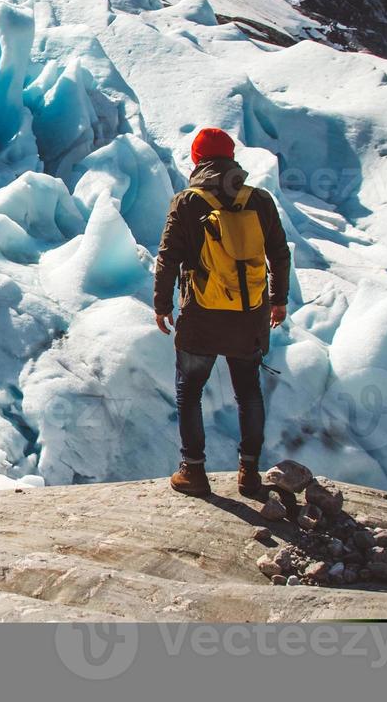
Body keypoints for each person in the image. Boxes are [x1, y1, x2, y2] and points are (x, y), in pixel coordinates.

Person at [154, 128, 291, 497]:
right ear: (231, 159)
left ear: (197, 160)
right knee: (248, 392)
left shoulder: (187, 202)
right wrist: (278, 300)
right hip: (249, 317)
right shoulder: (259, 200)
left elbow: (168, 258)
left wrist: (162, 305)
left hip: (201, 317)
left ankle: (194, 473)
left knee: (190, 392)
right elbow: (279, 253)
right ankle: (249, 473)